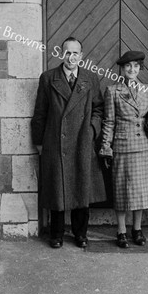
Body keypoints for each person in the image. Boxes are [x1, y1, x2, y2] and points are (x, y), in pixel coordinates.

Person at [31, 37, 106, 249]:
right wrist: (39, 143)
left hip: (82, 141)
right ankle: (56, 234)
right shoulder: (48, 78)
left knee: (82, 188)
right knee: (57, 188)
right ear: (61, 54)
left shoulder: (90, 78)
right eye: (67, 53)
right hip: (55, 142)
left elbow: (99, 109)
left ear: (81, 56)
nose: (71, 57)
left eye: (75, 53)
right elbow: (40, 113)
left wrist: (91, 130)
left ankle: (80, 233)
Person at [99, 50, 148, 248]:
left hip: (144, 145)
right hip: (123, 146)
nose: (132, 70)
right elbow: (108, 121)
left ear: (140, 68)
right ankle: (121, 230)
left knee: (140, 191)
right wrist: (106, 147)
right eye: (128, 66)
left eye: (135, 66)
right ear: (122, 69)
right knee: (122, 190)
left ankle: (137, 229)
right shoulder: (112, 91)